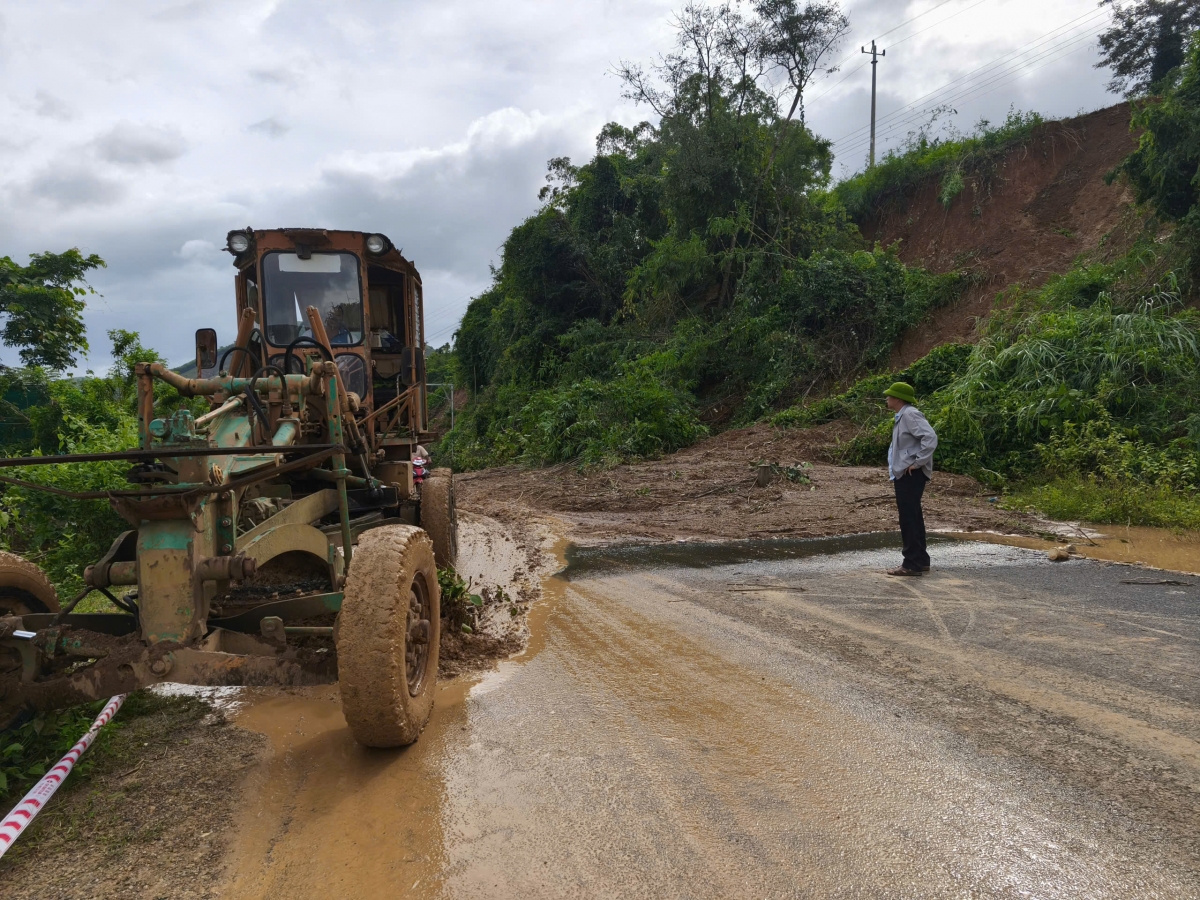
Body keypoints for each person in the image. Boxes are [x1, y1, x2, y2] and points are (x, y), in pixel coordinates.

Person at [883, 382, 938, 576]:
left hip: (911, 473)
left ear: (898, 398)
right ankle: (920, 560)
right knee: (913, 515)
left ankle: (911, 564)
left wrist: (917, 462)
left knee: (908, 517)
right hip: (906, 472)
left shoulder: (910, 414)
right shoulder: (903, 415)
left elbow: (930, 438)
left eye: (890, 395)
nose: (887, 398)